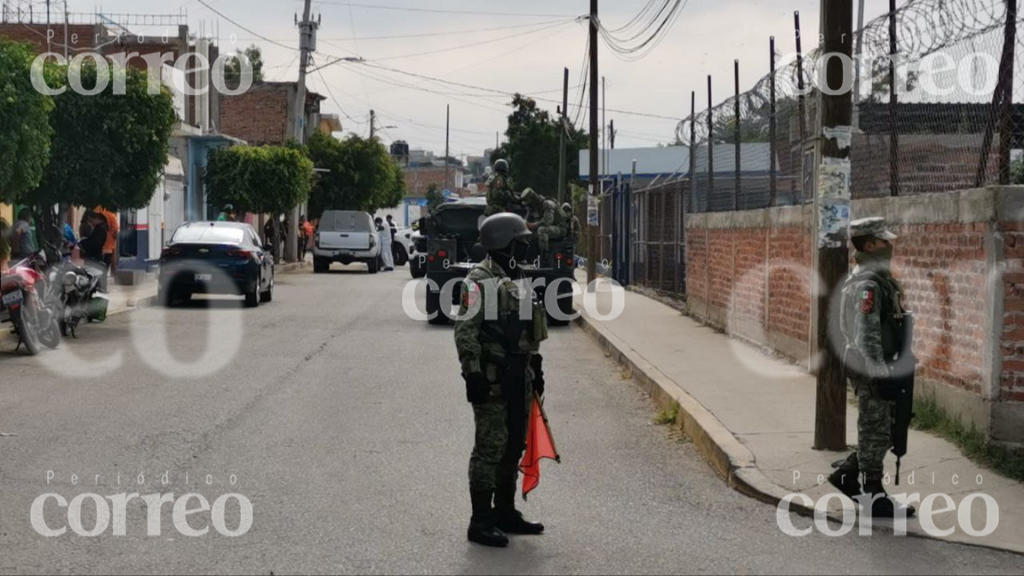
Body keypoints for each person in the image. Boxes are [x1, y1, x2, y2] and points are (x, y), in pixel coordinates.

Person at [454, 212, 549, 548]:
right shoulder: (479, 280)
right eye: (520, 242)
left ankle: (505, 511)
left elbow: (526, 329)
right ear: (503, 243)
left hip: (518, 376)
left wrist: (535, 368)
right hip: (492, 378)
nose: (525, 247)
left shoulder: (518, 276)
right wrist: (473, 374)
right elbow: (466, 331)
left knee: (514, 445)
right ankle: (480, 521)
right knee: (490, 448)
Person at [830, 217, 916, 519]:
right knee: (876, 429)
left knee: (887, 427)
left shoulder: (876, 277)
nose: (889, 245)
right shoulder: (868, 284)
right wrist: (880, 374)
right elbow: (867, 335)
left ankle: (847, 475)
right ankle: (873, 495)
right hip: (870, 366)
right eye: (883, 241)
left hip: (880, 364)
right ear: (869, 245)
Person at [521, 189, 566, 266]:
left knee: (542, 230)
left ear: (533, 199)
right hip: (552, 227)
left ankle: (544, 257)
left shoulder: (547, 204)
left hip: (560, 228)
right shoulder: (536, 207)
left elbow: (547, 221)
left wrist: (532, 225)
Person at [79, 212, 110, 290]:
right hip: (97, 254)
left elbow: (95, 243)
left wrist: (84, 243)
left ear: (97, 219)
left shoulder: (100, 229)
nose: (91, 223)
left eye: (92, 220)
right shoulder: (100, 228)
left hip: (94, 256)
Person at [94, 206, 119, 280]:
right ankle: (103, 285)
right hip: (108, 247)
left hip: (97, 246)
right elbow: (115, 231)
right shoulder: (112, 216)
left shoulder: (96, 214)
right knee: (105, 267)